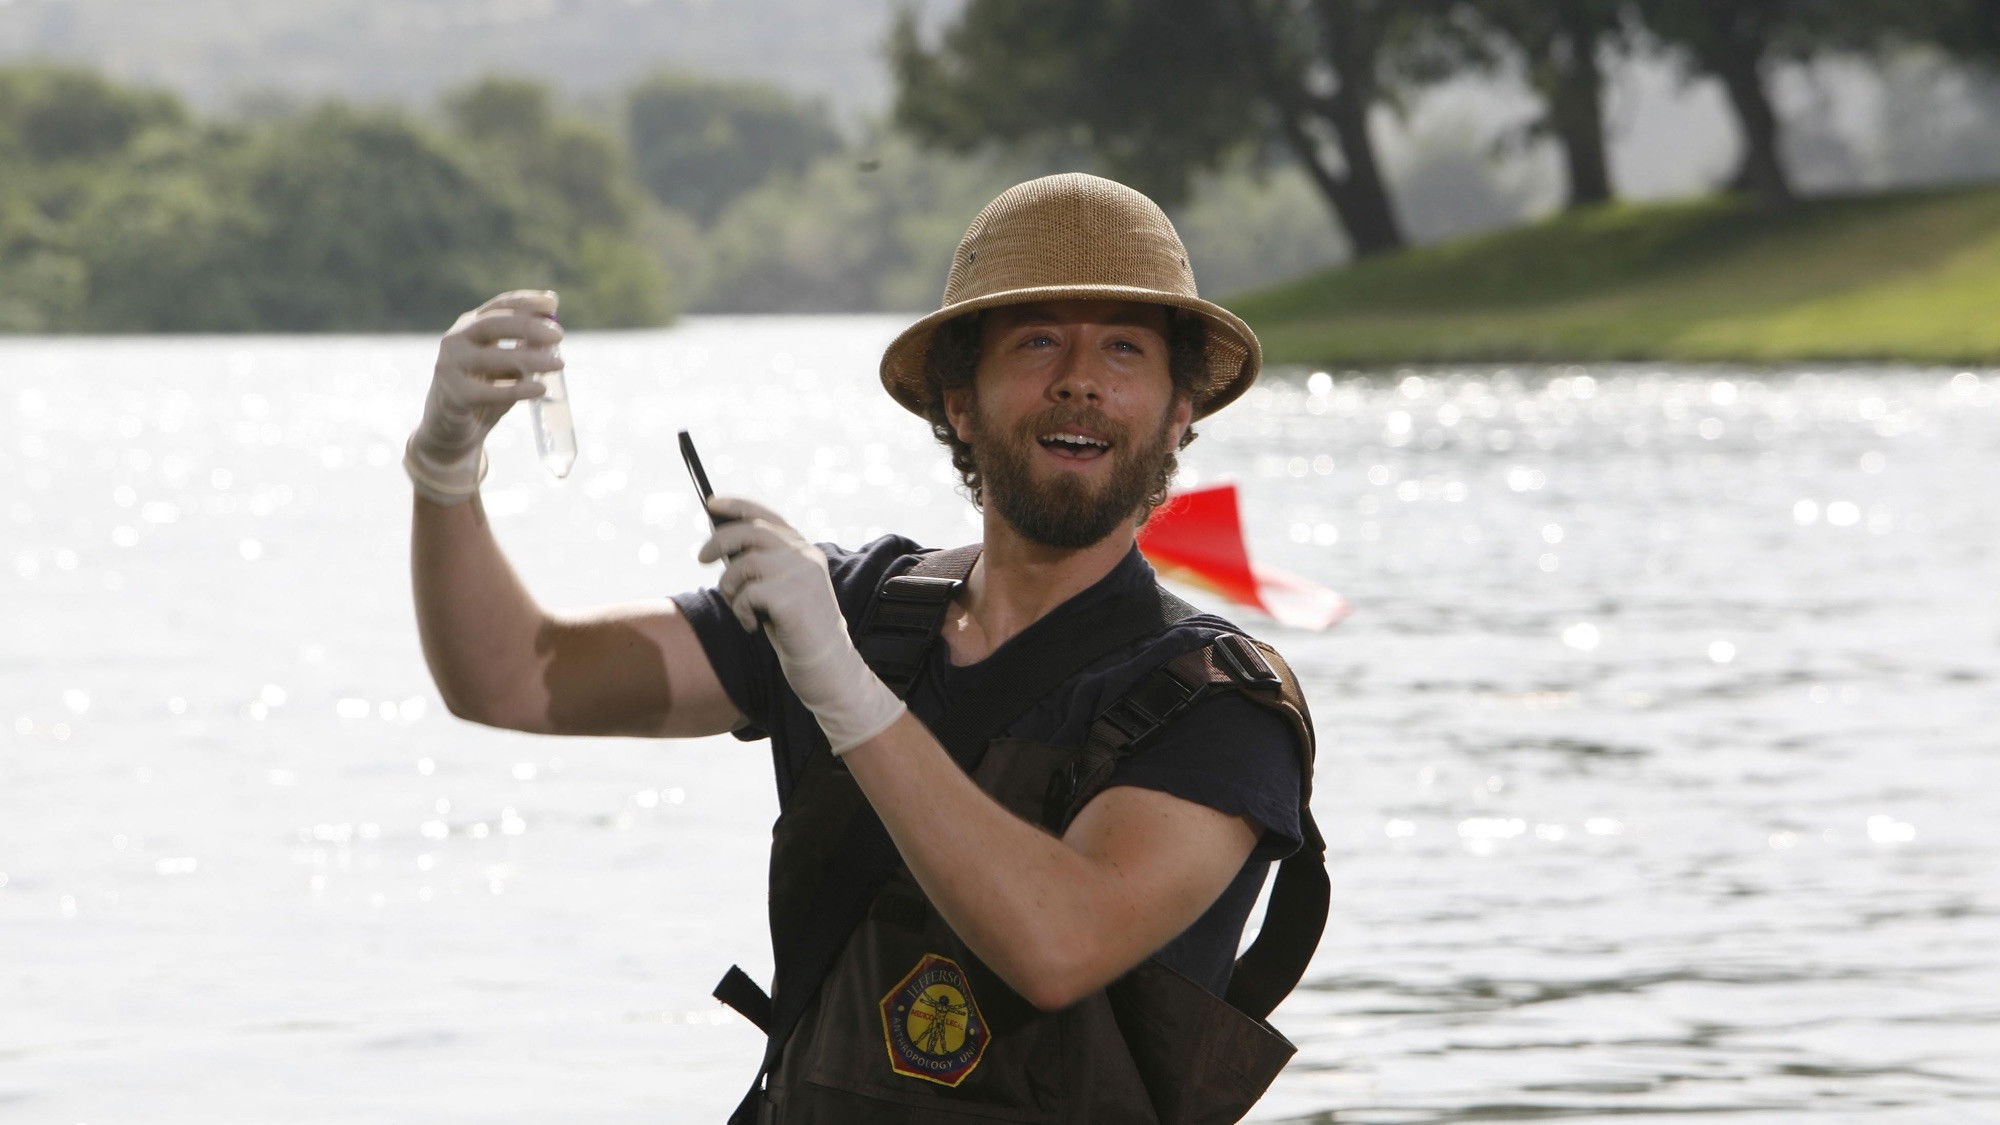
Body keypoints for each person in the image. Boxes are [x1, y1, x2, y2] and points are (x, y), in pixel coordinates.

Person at [406, 173, 1325, 1123]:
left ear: (1180, 412)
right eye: (1038, 340)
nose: (1080, 380)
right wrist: (444, 468)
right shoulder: (846, 607)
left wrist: (841, 686)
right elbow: (507, 677)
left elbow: (1059, 941)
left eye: (1124, 349)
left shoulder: (1216, 701)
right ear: (958, 401)